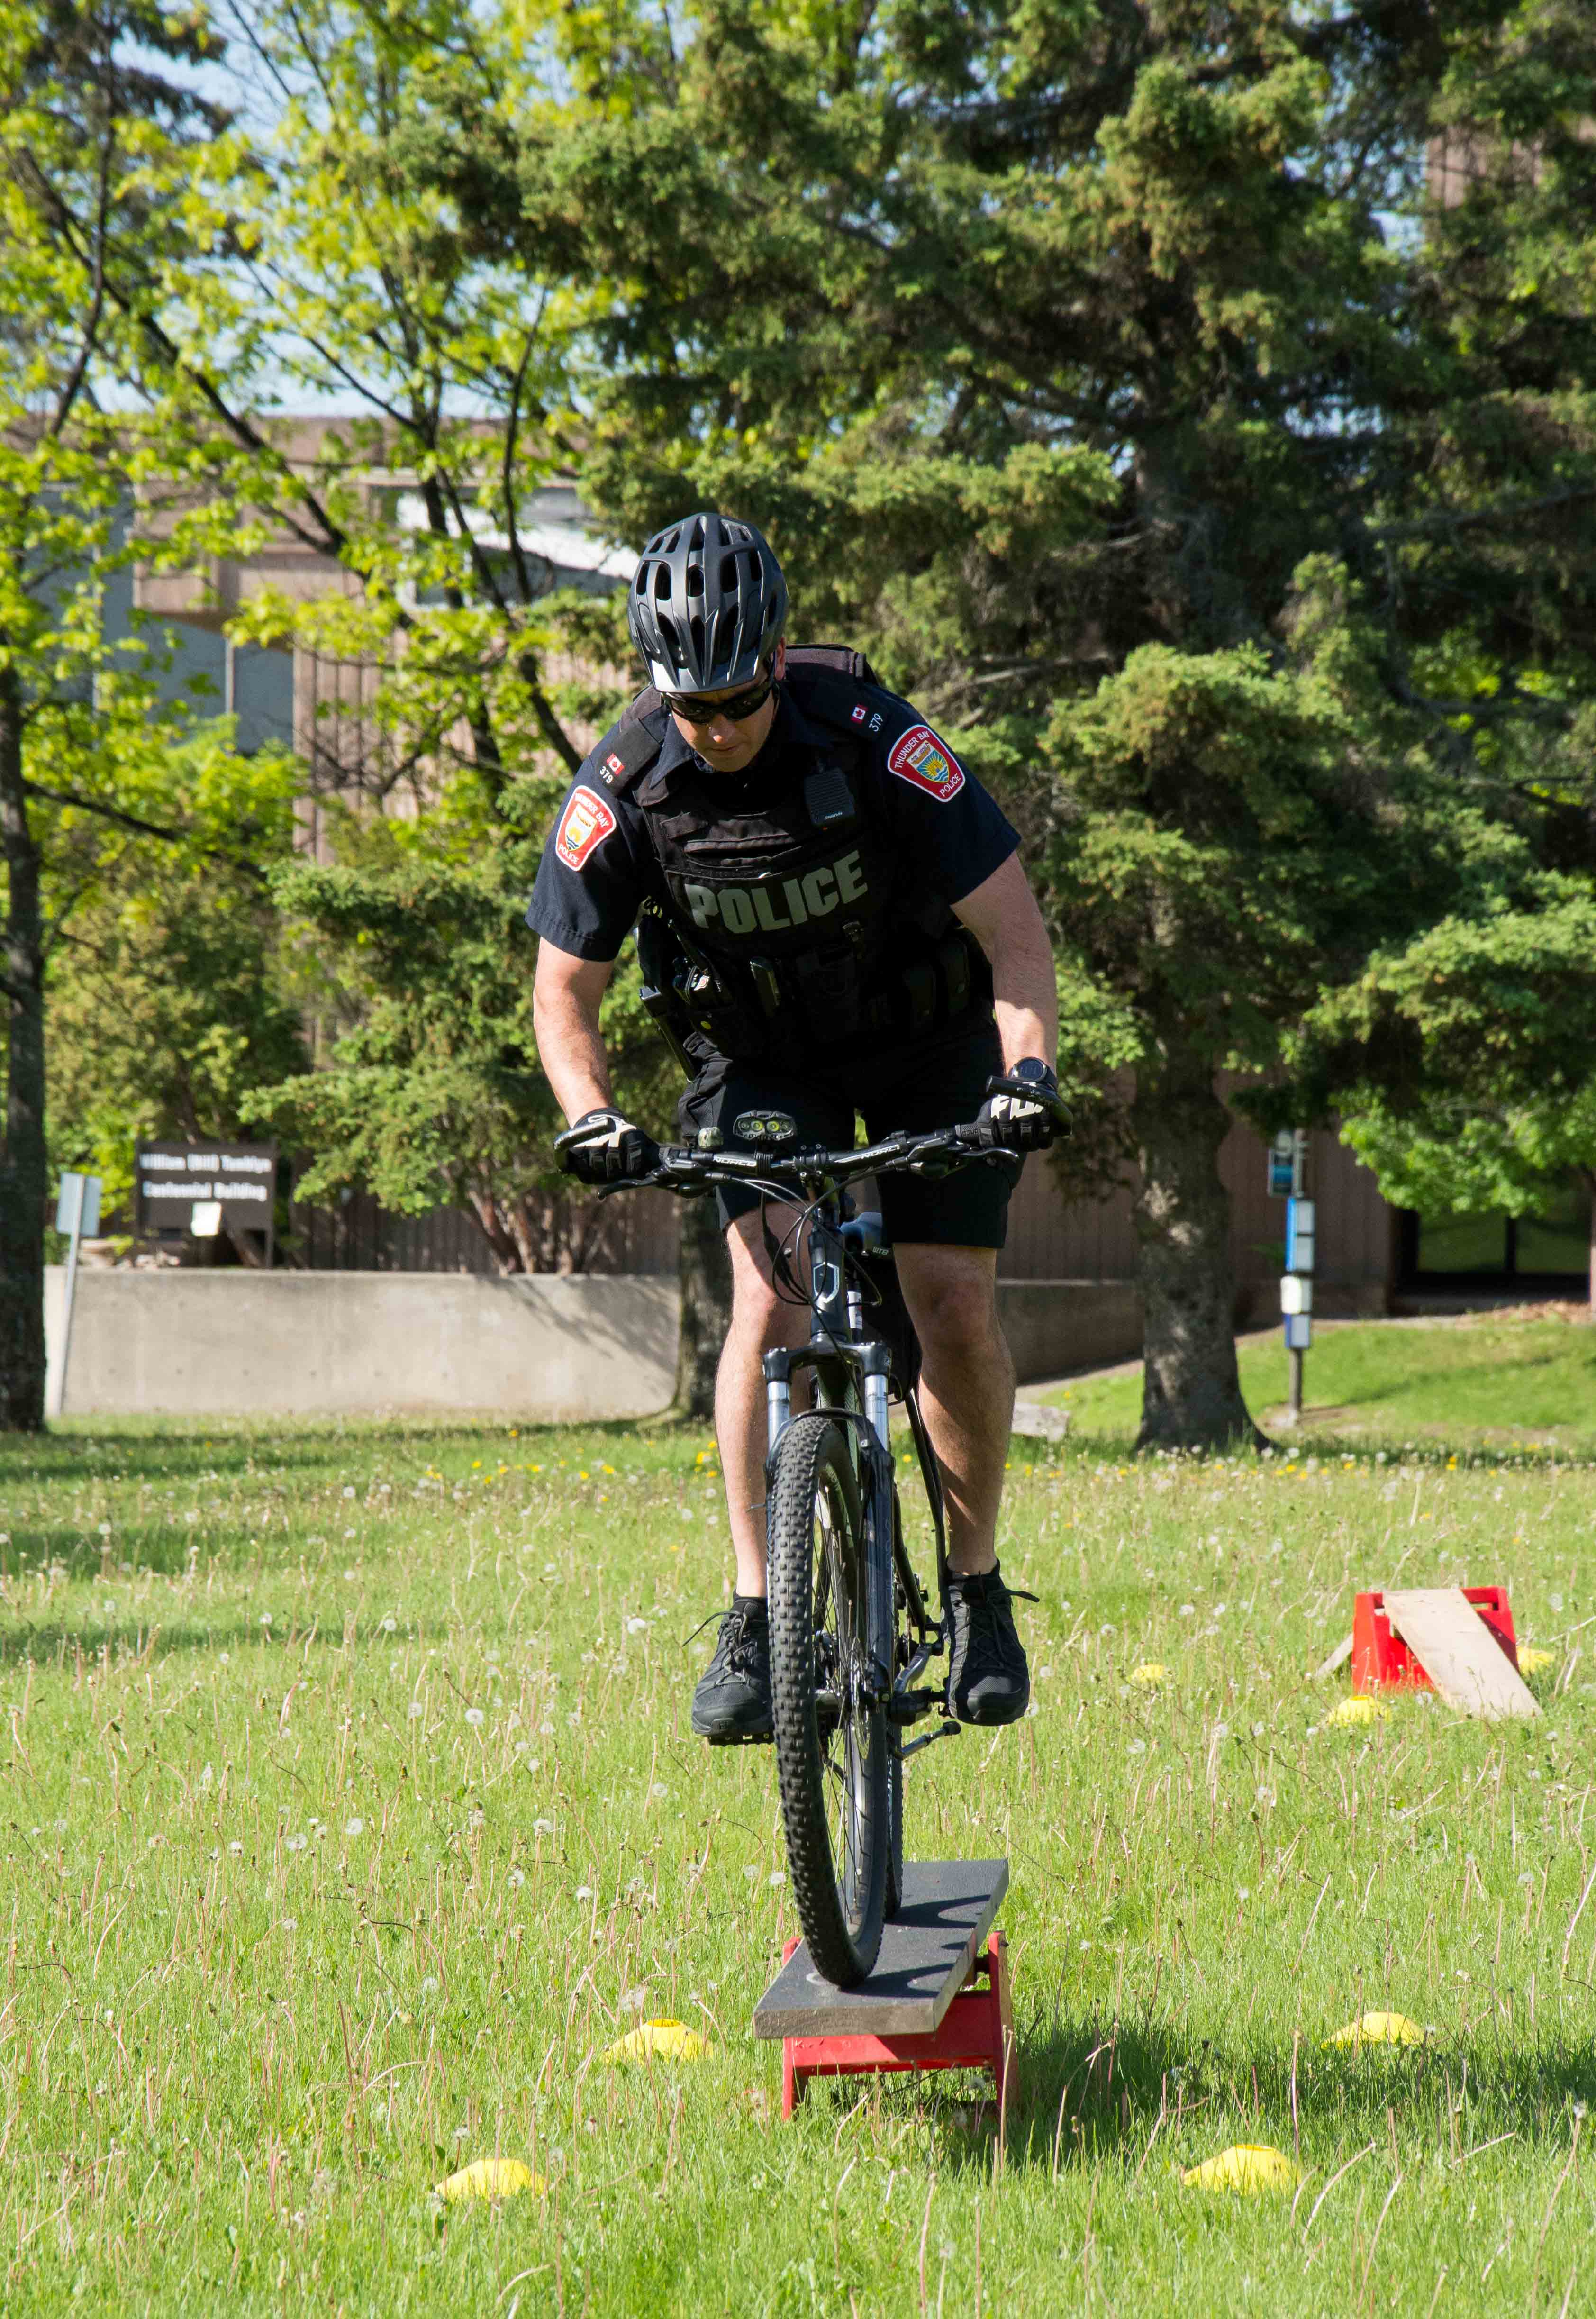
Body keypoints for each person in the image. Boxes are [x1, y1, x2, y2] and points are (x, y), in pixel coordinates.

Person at [529, 511, 1065, 1744]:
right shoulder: (625, 786)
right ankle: (757, 1611)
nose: (715, 731)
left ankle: (979, 1590)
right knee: (767, 1302)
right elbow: (565, 986)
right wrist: (592, 1115)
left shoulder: (876, 739)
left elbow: (1016, 933)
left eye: (734, 701)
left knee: (952, 1302)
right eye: (690, 709)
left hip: (930, 1045)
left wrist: (1024, 1077)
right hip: (763, 1061)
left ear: (772, 662)